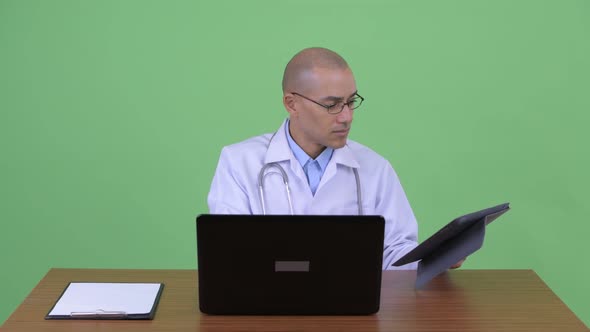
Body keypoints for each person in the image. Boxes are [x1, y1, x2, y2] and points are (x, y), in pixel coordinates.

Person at [207, 47, 463, 270]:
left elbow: (394, 255)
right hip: (266, 308)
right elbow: (228, 257)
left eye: (351, 102)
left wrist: (435, 258)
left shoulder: (375, 168)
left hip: (352, 311)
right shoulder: (238, 163)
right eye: (332, 105)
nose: (347, 117)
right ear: (291, 103)